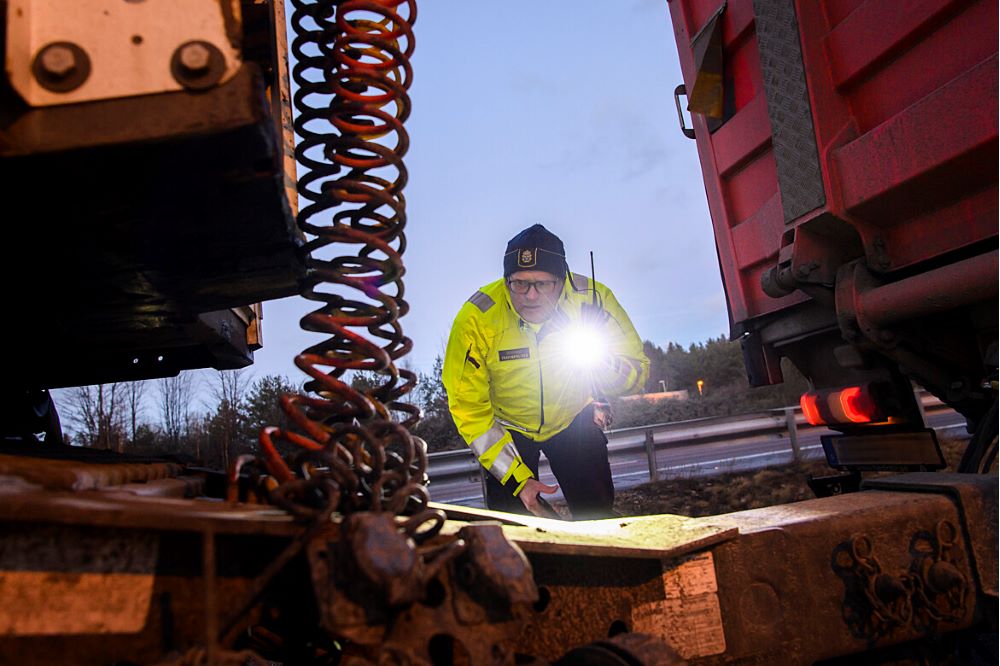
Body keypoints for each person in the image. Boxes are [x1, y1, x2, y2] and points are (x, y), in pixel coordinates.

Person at [442, 224, 649, 519]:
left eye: (543, 284)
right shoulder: (476, 318)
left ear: (562, 280)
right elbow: (469, 408)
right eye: (519, 283)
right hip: (509, 427)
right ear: (506, 280)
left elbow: (637, 373)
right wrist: (516, 479)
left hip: (572, 417)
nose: (531, 295)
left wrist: (604, 366)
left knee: (597, 514)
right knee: (513, 521)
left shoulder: (594, 301)